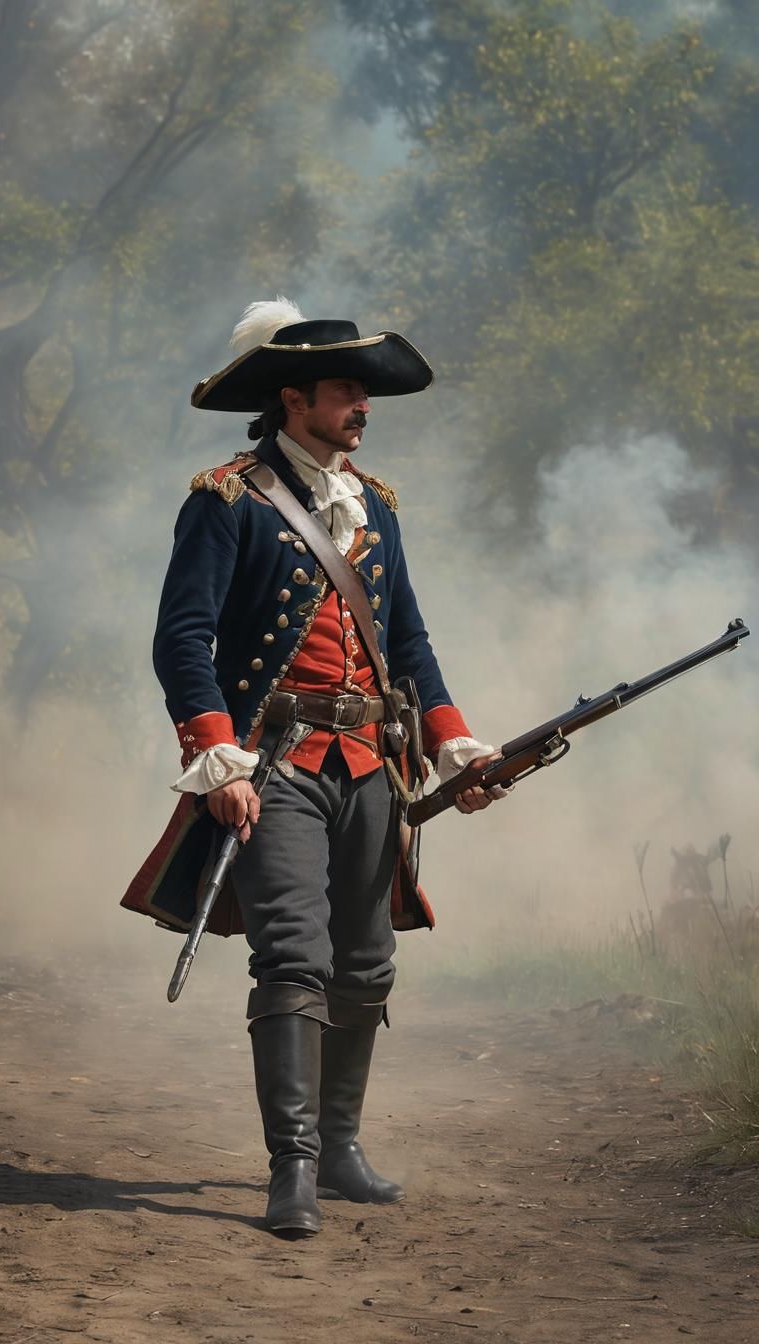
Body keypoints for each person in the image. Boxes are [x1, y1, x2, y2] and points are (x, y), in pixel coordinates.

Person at [122, 297, 504, 1236]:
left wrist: (455, 744)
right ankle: (290, 1166)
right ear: (294, 400)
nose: (362, 405)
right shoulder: (225, 501)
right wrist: (219, 756)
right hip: (275, 759)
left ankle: (339, 1151)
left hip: (373, 758)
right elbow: (184, 643)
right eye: (345, 390)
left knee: (366, 964)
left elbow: (405, 640)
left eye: (363, 392)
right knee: (292, 956)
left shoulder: (375, 505)